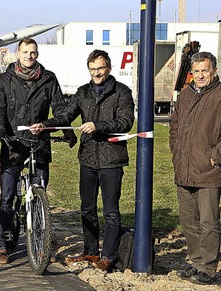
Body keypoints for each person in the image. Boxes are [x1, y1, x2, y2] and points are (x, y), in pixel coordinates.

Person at [0, 37, 76, 264]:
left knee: (39, 192)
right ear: (18, 54)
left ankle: (41, 244)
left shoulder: (48, 79)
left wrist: (64, 129)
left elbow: (60, 107)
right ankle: (3, 243)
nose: (30, 56)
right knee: (7, 196)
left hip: (39, 143)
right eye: (26, 52)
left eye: (34, 52)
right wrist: (0, 131)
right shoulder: (4, 80)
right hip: (13, 144)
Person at [49, 49, 135, 271]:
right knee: (87, 208)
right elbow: (66, 115)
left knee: (111, 211)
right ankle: (90, 252)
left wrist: (99, 126)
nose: (97, 73)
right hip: (87, 158)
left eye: (100, 68)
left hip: (111, 160)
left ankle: (108, 255)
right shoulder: (83, 92)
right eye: (93, 69)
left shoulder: (122, 92)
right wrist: (45, 124)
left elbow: (126, 122)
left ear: (109, 68)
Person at [169, 52, 221, 285]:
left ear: (214, 71)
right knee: (188, 220)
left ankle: (208, 268)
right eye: (197, 71)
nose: (200, 75)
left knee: (208, 222)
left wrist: (215, 156)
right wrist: (176, 152)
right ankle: (196, 262)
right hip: (185, 168)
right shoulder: (185, 95)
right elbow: (174, 127)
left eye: (205, 70)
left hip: (209, 171)